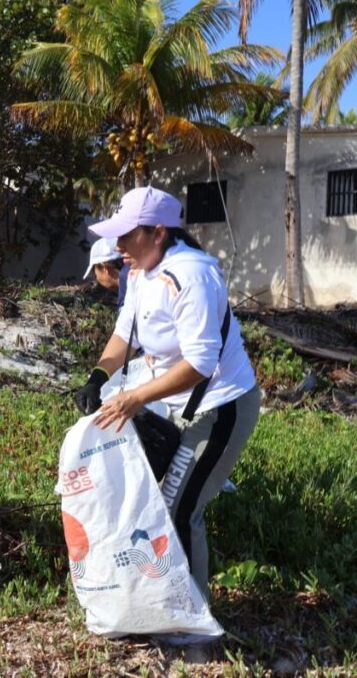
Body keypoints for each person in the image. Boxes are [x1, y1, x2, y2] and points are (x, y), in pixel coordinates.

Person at [73, 186, 260, 598]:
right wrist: (97, 378)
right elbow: (127, 334)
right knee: (143, 494)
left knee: (180, 508)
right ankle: (153, 594)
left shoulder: (190, 275)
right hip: (175, 406)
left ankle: (193, 617)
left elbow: (200, 364)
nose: (118, 245)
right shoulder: (140, 273)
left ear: (158, 233)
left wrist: (136, 397)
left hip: (219, 408)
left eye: (127, 235)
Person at [83, 237, 129, 308]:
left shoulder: (127, 288)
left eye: (95, 274)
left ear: (105, 268)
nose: (97, 279)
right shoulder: (141, 274)